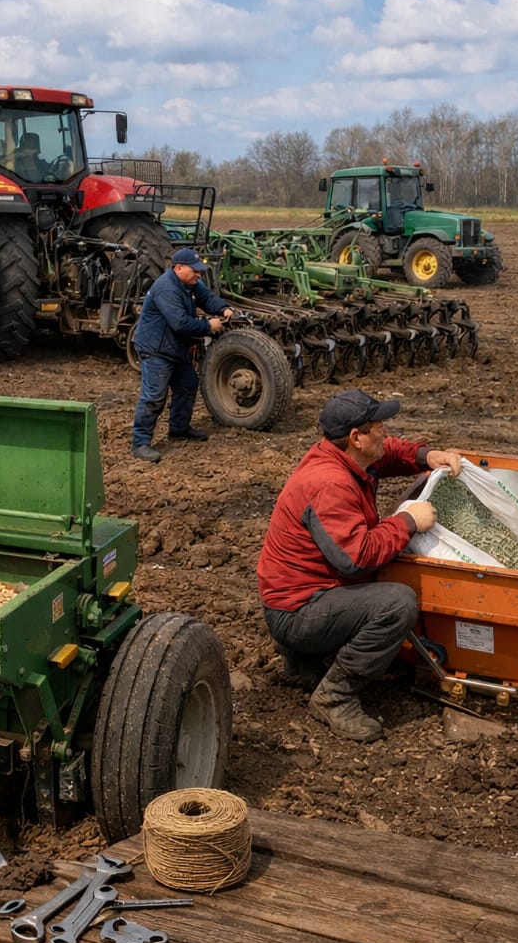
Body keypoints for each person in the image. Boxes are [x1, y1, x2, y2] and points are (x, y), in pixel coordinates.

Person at [256, 389, 462, 742]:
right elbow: (356, 558)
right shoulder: (330, 484)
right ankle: (335, 696)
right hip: (298, 607)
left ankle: (306, 658)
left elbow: (389, 451)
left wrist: (428, 455)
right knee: (396, 604)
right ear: (356, 437)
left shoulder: (344, 455)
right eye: (379, 425)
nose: (385, 431)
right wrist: (408, 522)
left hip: (305, 592)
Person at [131, 247, 233, 463]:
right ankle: (140, 443)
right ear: (178, 268)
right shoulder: (166, 289)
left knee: (188, 384)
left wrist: (224, 309)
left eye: (199, 270)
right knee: (154, 396)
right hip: (156, 348)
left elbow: (207, 299)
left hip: (175, 346)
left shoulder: (191, 283)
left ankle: (179, 428)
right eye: (195, 270)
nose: (199, 274)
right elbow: (180, 324)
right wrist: (208, 325)